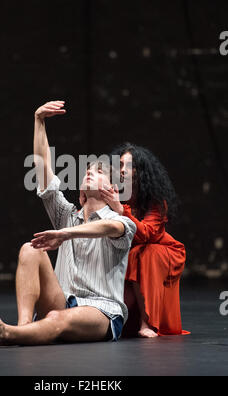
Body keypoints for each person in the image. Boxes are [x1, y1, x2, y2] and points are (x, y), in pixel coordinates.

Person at [0, 102, 136, 348]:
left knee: (56, 318)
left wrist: (64, 234)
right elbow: (44, 170)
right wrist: (38, 121)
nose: (88, 172)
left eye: (97, 171)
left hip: (102, 311)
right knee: (29, 249)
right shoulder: (67, 215)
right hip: (62, 300)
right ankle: (23, 328)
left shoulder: (122, 222)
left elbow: (106, 229)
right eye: (86, 169)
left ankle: (6, 333)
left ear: (113, 188)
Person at [81, 143, 189, 338]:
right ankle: (109, 317)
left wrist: (120, 210)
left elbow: (146, 235)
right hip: (134, 253)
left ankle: (147, 323)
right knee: (127, 256)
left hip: (163, 252)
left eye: (129, 166)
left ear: (141, 171)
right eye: (120, 165)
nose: (123, 170)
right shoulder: (117, 195)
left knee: (143, 254)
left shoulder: (155, 201)